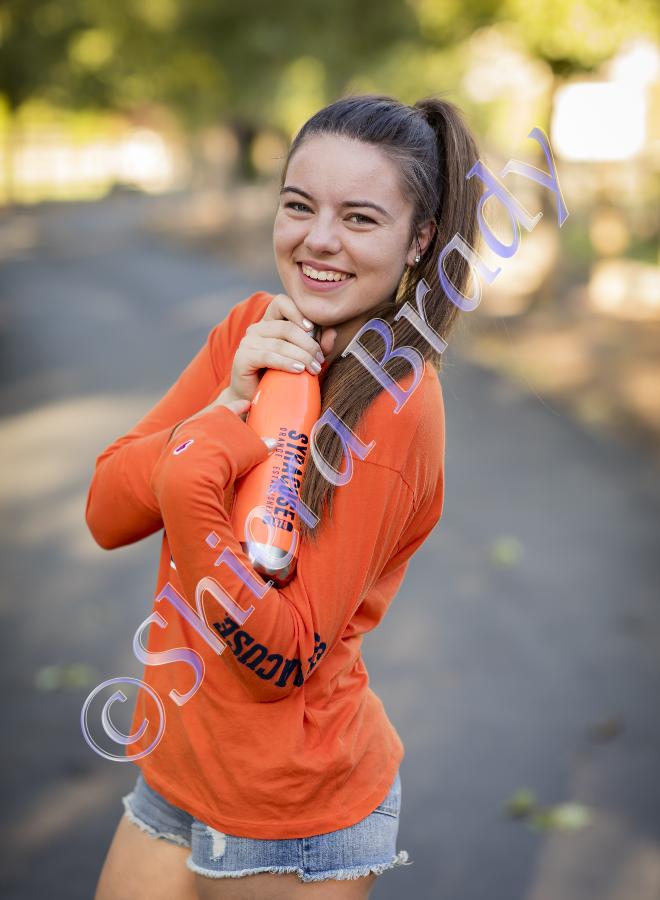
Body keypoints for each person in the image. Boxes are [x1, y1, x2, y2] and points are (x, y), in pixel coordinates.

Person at [88, 92, 482, 899]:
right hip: (174, 772)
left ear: (420, 240)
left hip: (293, 820)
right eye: (299, 206)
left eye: (360, 218)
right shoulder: (254, 330)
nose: (319, 239)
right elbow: (106, 512)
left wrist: (194, 474)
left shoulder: (396, 405)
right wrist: (224, 406)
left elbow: (282, 658)